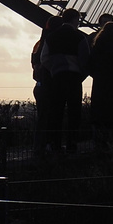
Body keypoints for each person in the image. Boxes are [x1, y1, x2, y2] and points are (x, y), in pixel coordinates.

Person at [43, 9, 91, 151]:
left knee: (56, 111)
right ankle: (72, 143)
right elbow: (85, 61)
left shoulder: (51, 37)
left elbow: (44, 59)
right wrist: (80, 75)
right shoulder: (80, 38)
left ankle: (55, 143)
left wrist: (55, 70)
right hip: (75, 79)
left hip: (57, 77)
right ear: (74, 19)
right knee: (74, 112)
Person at [31, 17, 61, 154]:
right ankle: (48, 144)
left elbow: (34, 64)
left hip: (39, 85)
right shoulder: (55, 44)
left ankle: (39, 145)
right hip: (50, 85)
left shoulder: (39, 44)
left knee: (42, 117)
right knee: (51, 117)